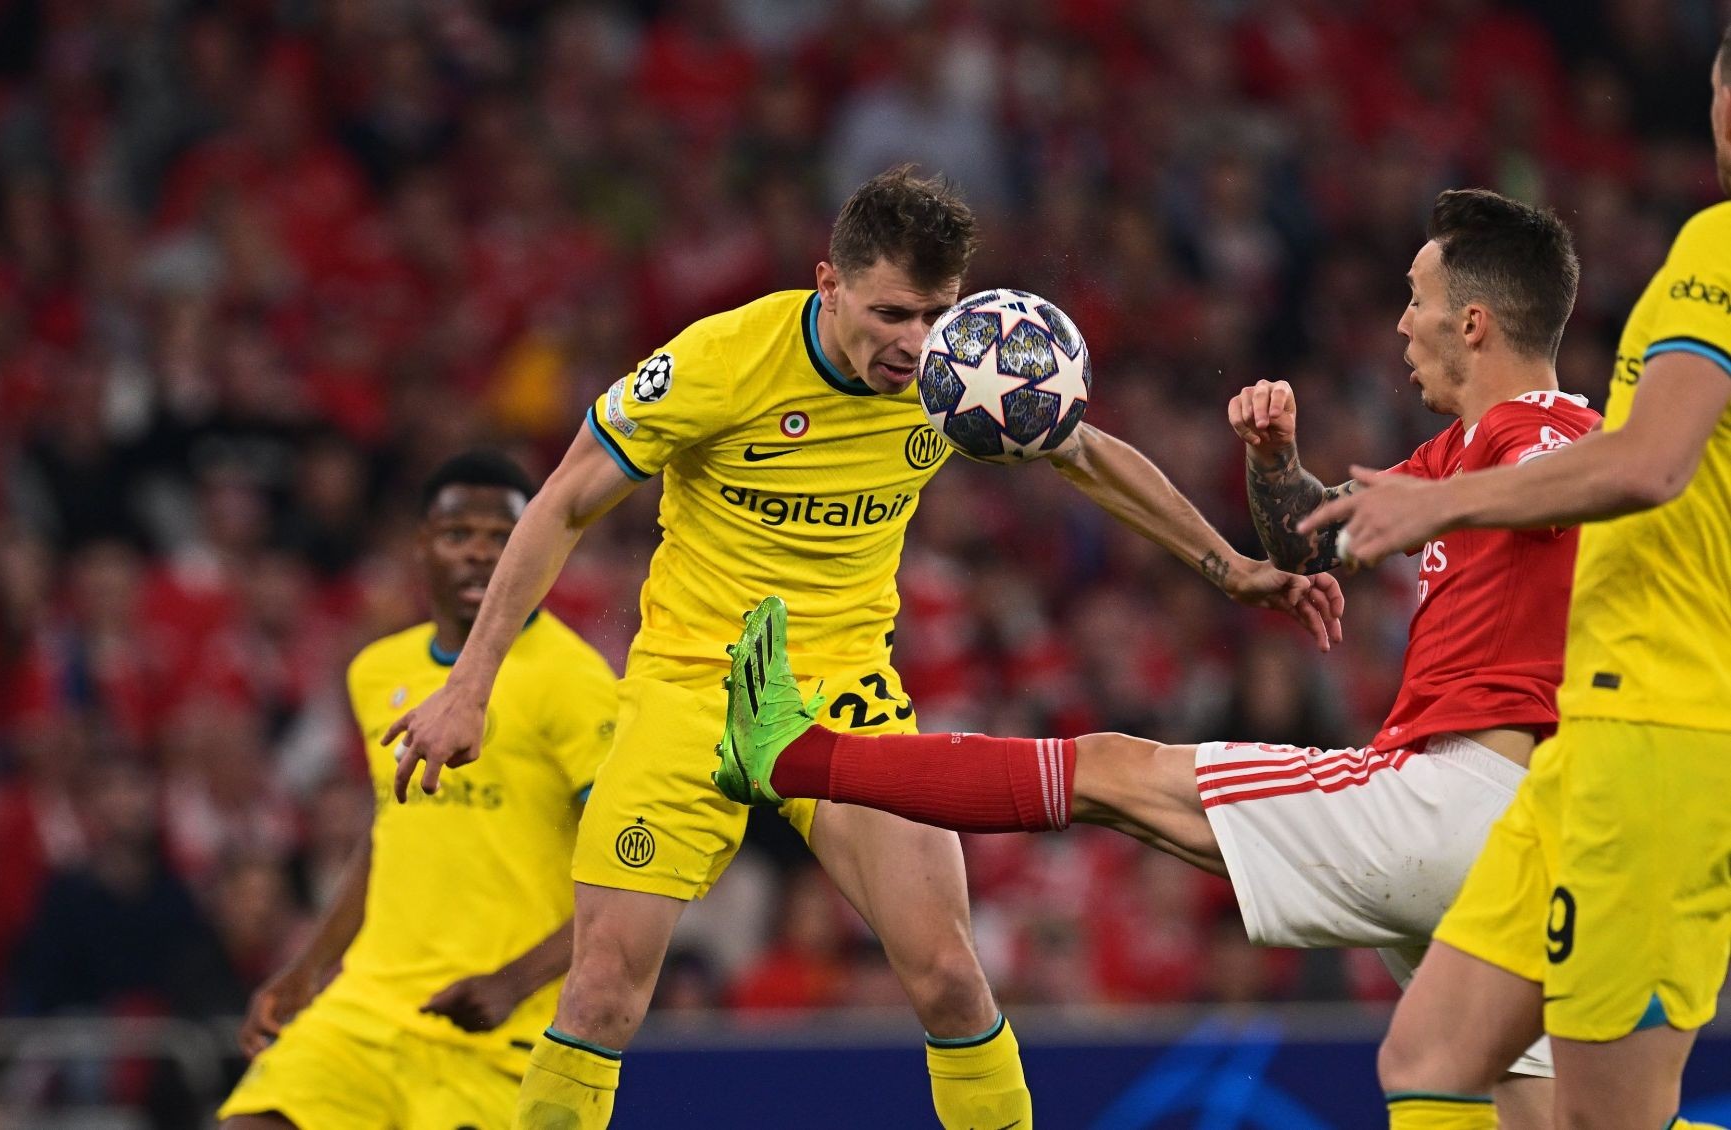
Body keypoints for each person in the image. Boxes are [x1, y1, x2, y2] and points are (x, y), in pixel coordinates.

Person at [385, 166, 1340, 1130]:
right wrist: (471, 686)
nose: (915, 343)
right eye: (890, 314)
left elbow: (1083, 452)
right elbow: (562, 501)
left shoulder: (957, 373)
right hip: (690, 691)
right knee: (599, 995)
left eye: (934, 313)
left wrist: (1228, 568)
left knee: (951, 980)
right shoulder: (722, 361)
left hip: (843, 693)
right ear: (828, 284)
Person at [713, 188, 1595, 1128]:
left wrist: (1457, 501)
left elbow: (1567, 479)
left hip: (1455, 799)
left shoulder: (1542, 432)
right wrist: (1273, 463)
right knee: (1528, 1110)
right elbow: (1310, 541)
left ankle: (792, 757)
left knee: (1112, 772)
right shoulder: (1456, 451)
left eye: (1416, 299)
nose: (1401, 323)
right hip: (1508, 844)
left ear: (1473, 322)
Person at [1299, 36, 1731, 1130]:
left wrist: (1440, 503)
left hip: (1659, 727)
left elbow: (1649, 462)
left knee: (1601, 1118)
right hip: (1595, 731)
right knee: (1428, 1054)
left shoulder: (1719, 244)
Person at [218, 451, 617, 1130]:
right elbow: (390, 831)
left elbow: (631, 872)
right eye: (458, 534)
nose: (479, 553)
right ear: (421, 546)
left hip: (496, 1030)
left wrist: (514, 981)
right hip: (367, 1013)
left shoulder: (574, 682)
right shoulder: (378, 671)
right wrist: (309, 967)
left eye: (503, 537)